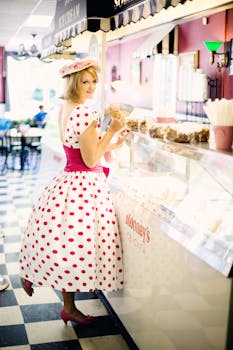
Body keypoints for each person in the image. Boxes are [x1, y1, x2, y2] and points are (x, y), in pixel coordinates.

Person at [19, 58, 129, 326]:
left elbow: (80, 151)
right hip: (84, 186)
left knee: (67, 244)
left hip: (69, 180)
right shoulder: (85, 112)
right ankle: (66, 303)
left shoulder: (66, 108)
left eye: (93, 81)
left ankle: (67, 306)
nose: (91, 86)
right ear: (73, 82)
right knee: (78, 248)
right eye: (85, 81)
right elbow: (91, 160)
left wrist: (112, 140)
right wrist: (112, 129)